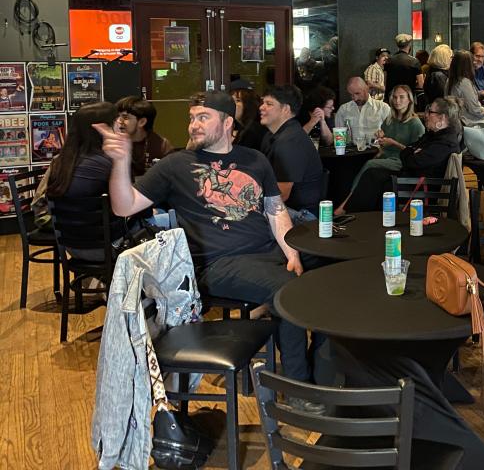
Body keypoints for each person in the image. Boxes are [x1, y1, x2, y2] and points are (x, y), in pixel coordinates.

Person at [94, 92, 324, 390]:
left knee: (329, 273)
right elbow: (124, 206)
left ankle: (325, 372)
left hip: (267, 252)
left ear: (228, 123)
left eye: (203, 117)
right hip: (217, 264)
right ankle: (298, 387)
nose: (194, 125)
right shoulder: (176, 164)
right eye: (192, 118)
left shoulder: (255, 159)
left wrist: (291, 251)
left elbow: (275, 210)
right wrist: (121, 162)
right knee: (287, 288)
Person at [344, 96, 462, 212]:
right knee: (372, 173)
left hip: (423, 189)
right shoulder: (433, 135)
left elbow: (412, 162)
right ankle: (357, 215)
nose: (426, 115)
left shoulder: (445, 142)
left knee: (379, 185)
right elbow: (408, 151)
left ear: (441, 118)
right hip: (413, 180)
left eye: (430, 112)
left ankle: (359, 216)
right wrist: (411, 152)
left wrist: (411, 153)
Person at [46, 102, 128, 258]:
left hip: (70, 247)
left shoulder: (61, 163)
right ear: (102, 129)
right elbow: (132, 207)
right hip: (107, 249)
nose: (120, 129)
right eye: (117, 124)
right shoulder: (109, 163)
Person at [335, 85, 425, 214]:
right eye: (394, 97)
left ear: (409, 100)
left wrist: (393, 142)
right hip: (387, 157)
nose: (397, 101)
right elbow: (383, 145)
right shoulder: (389, 120)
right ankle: (354, 204)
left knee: (370, 164)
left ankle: (346, 204)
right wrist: (381, 137)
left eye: (401, 97)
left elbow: (416, 152)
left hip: (402, 160)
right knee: (361, 167)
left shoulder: (415, 123)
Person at [260, 85, 328, 225]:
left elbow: (281, 196)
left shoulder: (289, 141)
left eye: (269, 104)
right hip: (289, 209)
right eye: (263, 102)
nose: (261, 107)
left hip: (302, 217)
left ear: (286, 109)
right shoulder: (274, 135)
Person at [448, 50, 484, 159]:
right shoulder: (464, 83)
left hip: (455, 120)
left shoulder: (450, 81)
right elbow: (474, 109)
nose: (475, 63)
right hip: (467, 123)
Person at [115, 96, 175, 175]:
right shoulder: (114, 143)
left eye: (125, 117)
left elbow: (171, 175)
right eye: (117, 116)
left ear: (142, 122)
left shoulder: (161, 146)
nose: (119, 121)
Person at [334, 77, 391, 145]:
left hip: (376, 151)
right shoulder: (343, 110)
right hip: (352, 152)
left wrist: (384, 136)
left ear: (367, 89)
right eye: (351, 95)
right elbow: (339, 138)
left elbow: (392, 135)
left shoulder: (383, 108)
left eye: (357, 93)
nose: (355, 98)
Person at [384, 33, 424, 99]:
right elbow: (421, 84)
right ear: (409, 45)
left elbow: (385, 82)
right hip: (408, 96)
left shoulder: (389, 60)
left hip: (391, 96)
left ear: (397, 45)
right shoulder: (414, 62)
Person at [231, 85, 268, 152]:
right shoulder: (239, 126)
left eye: (238, 101)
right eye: (231, 101)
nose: (233, 104)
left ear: (248, 104)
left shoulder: (254, 130)